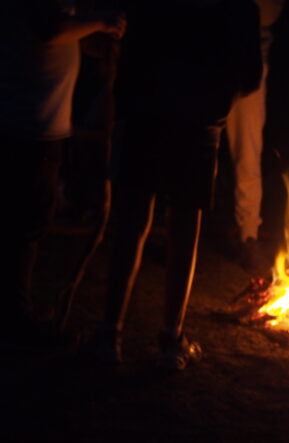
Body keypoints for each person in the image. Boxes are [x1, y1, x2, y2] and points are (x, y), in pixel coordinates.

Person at [93, 0, 262, 370]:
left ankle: (111, 334)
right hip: (194, 121)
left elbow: (130, 37)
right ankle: (170, 340)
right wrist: (216, 102)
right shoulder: (239, 7)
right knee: (183, 226)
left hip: (147, 112)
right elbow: (251, 74)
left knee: (133, 222)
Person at [2, 1, 125, 340]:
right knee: (23, 226)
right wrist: (101, 20)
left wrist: (96, 35)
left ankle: (15, 312)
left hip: (40, 123)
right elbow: (50, 30)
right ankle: (15, 318)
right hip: (27, 124)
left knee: (28, 223)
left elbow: (64, 33)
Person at [225, 0, 284, 271]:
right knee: (190, 145)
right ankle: (175, 224)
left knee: (247, 154)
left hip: (249, 61)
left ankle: (248, 235)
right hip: (204, 53)